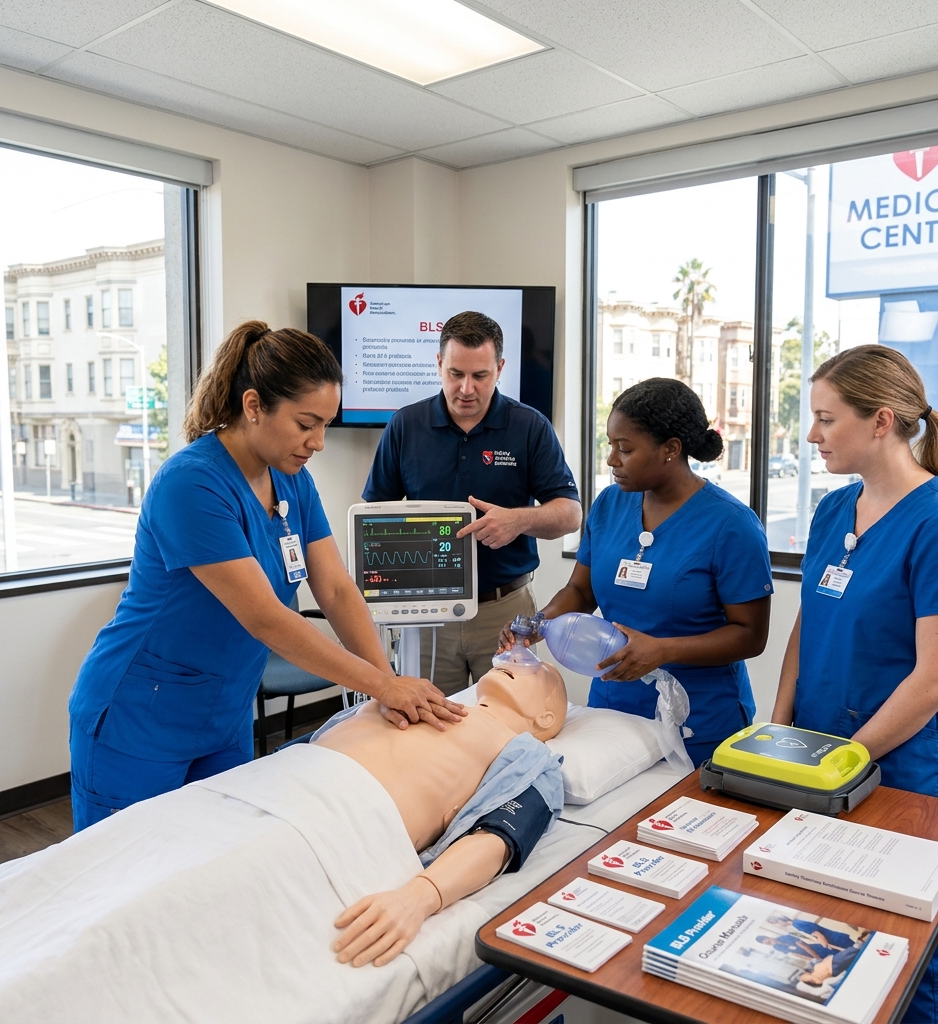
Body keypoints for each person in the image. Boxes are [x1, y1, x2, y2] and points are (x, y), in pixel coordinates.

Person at [68, 320, 465, 831]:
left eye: (325, 425)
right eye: (306, 424)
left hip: (223, 712)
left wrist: (386, 682)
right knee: (130, 864)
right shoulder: (191, 485)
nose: (318, 442)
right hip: (139, 715)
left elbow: (336, 589)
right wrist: (383, 687)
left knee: (220, 855)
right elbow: (266, 619)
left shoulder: (292, 481)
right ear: (253, 406)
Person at [770, 345, 938, 1022]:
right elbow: (807, 626)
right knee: (818, 936)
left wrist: (847, 761)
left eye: (826, 418)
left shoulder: (931, 521)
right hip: (814, 757)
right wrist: (775, 731)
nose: (812, 435)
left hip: (896, 770)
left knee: (901, 952)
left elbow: (931, 679)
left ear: (881, 422)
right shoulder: (833, 510)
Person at [504, 378, 773, 766]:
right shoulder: (610, 504)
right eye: (611, 445)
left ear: (671, 449)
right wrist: (538, 623)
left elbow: (750, 635)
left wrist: (663, 650)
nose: (612, 460)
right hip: (614, 710)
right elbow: (581, 591)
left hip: (700, 719)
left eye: (625, 448)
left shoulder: (731, 525)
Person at [363, 310, 582, 695]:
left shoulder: (530, 426)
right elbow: (372, 517)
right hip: (427, 614)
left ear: (500, 369)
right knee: (430, 718)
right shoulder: (405, 426)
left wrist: (518, 520)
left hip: (503, 611)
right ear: (438, 364)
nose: (466, 389)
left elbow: (570, 514)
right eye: (455, 374)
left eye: (480, 376)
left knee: (511, 718)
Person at [314, 658, 567, 967]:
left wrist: (419, 897)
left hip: (330, 828)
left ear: (545, 717)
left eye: (536, 668)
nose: (516, 658)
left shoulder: (532, 759)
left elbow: (499, 837)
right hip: (278, 777)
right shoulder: (409, 694)